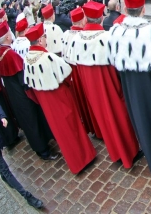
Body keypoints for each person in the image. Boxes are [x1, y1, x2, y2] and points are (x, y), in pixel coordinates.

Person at [65, 1, 141, 169]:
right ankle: (129, 152)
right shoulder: (107, 38)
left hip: (91, 88)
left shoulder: (76, 39)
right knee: (119, 116)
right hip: (110, 85)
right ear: (101, 18)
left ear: (86, 19)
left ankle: (116, 152)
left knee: (104, 118)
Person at [108, 0, 151, 179]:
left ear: (126, 9)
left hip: (131, 87)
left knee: (141, 122)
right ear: (144, 8)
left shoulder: (115, 31)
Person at [23, 23, 97, 174]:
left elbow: (29, 88)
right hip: (60, 99)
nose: (45, 39)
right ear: (39, 40)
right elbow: (66, 73)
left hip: (46, 105)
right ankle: (84, 158)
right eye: (44, 37)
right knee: (72, 128)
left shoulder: (27, 59)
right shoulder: (48, 57)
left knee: (61, 133)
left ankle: (74, 162)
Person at [0, 22, 56, 160]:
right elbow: (23, 78)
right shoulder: (10, 54)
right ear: (7, 38)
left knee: (28, 123)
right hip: (23, 95)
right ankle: (44, 150)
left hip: (13, 96)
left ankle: (41, 147)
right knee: (33, 121)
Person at [0, 80, 44, 209]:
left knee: (1, 164)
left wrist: (1, 115)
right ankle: (27, 196)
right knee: (3, 165)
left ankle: (3, 175)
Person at [62, 7, 101, 137]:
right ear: (82, 20)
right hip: (83, 71)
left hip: (72, 72)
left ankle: (90, 125)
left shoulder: (66, 34)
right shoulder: (82, 35)